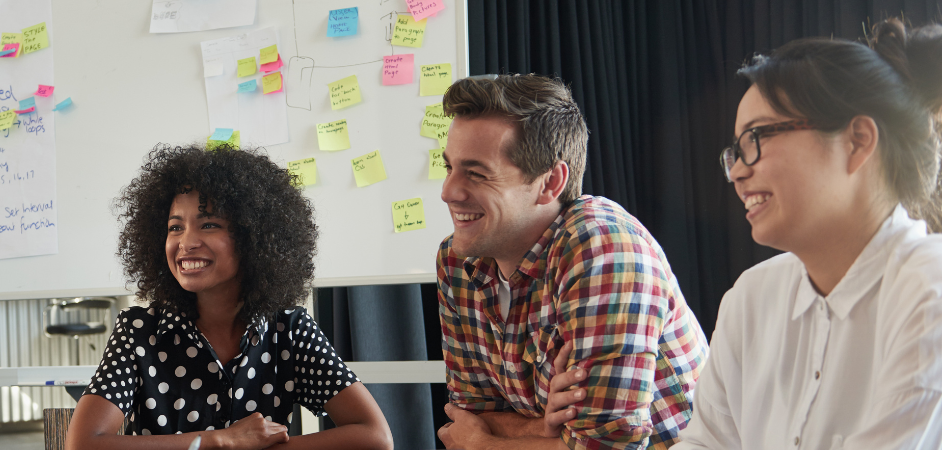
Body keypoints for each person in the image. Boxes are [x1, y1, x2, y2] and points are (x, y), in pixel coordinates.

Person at [673, 19, 942, 449]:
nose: (738, 172)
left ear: (856, 141)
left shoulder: (930, 287)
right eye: (736, 152)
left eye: (757, 138)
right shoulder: (751, 298)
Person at [433, 74, 708, 449]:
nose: (448, 191)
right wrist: (552, 433)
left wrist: (487, 444)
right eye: (448, 167)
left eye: (477, 174)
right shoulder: (457, 260)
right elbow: (465, 419)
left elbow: (609, 446)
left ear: (550, 183)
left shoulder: (604, 248)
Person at [65, 145, 393, 450]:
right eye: (175, 227)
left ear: (254, 237)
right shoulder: (140, 331)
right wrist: (222, 440)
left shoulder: (289, 330)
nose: (187, 242)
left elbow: (374, 436)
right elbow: (83, 443)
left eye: (208, 224)